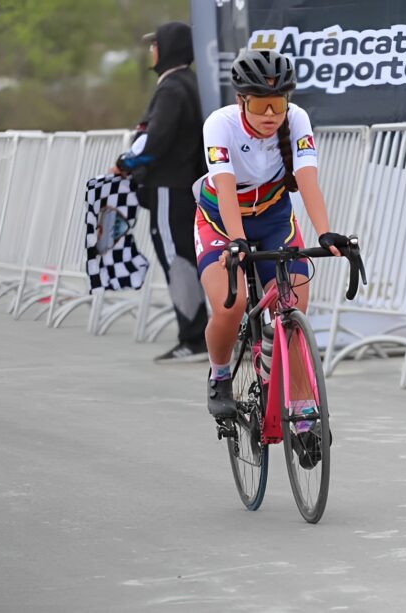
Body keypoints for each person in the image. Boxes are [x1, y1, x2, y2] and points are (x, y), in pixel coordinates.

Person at [194, 49, 347, 424]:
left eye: (277, 104)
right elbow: (225, 187)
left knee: (291, 306)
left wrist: (325, 231)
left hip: (275, 217)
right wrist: (236, 238)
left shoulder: (297, 120)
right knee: (231, 305)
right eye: (260, 104)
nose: (269, 115)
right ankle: (220, 375)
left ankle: (302, 412)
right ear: (241, 100)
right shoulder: (220, 124)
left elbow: (308, 181)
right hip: (220, 220)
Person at [112, 21, 209, 364]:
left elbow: (157, 141)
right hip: (186, 187)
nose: (150, 50)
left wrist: (125, 162)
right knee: (186, 256)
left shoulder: (171, 88)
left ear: (168, 48)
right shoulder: (193, 83)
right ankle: (200, 332)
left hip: (170, 187)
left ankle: (194, 337)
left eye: (155, 44)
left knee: (176, 257)